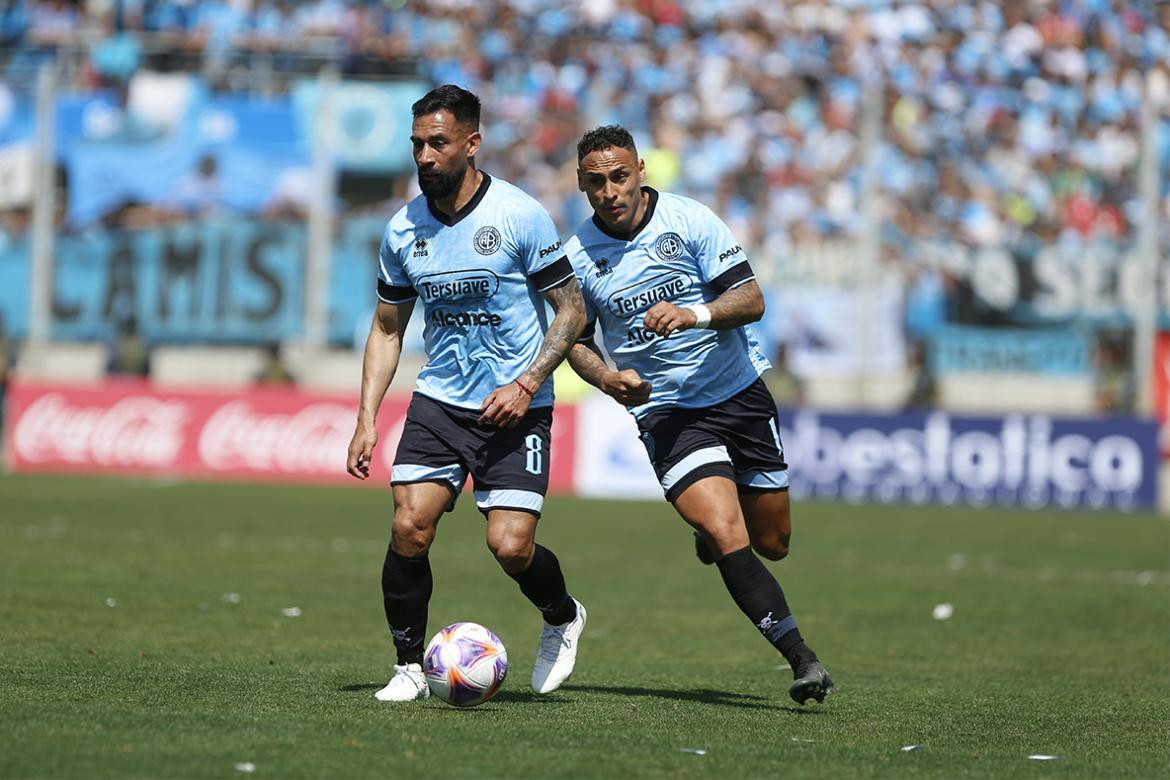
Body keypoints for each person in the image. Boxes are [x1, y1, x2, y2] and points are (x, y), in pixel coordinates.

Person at [563, 125, 834, 705]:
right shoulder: (577, 258)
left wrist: (693, 314)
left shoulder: (690, 221)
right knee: (723, 526)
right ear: (582, 185)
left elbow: (752, 300)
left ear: (640, 170)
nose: (610, 191)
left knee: (774, 541)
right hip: (667, 413)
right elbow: (573, 340)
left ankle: (714, 543)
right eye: (596, 182)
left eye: (619, 176)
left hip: (739, 393)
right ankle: (802, 660)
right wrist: (606, 377)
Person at [346, 85, 588, 703]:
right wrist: (366, 417)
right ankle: (406, 667)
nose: (424, 156)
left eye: (438, 143)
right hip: (440, 403)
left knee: (510, 547)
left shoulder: (519, 215)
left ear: (473, 143)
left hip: (516, 405)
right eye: (417, 144)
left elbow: (570, 311)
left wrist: (528, 381)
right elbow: (386, 326)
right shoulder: (403, 229)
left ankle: (562, 615)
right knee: (409, 527)